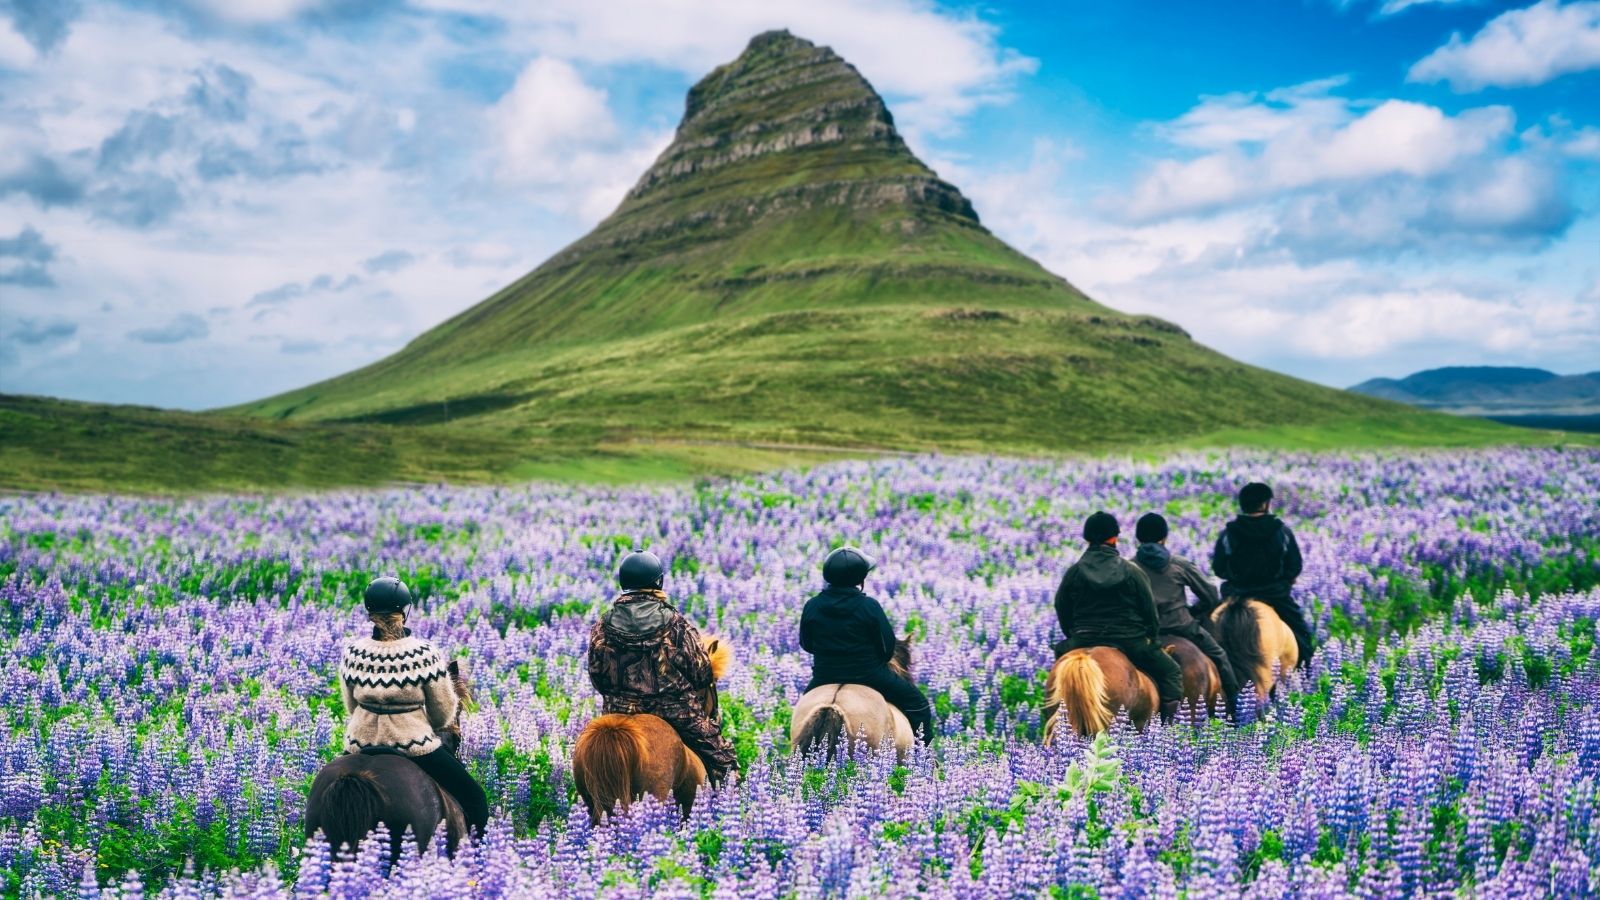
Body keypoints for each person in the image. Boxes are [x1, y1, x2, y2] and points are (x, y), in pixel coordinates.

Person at [339, 576, 490, 837]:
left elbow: (351, 706)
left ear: (370, 613)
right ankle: (475, 862)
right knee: (474, 798)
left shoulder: (354, 653)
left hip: (359, 744)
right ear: (404, 612)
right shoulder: (423, 654)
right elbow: (443, 713)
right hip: (414, 745)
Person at [587, 550, 739, 784]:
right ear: (657, 581)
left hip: (618, 710)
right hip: (675, 711)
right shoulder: (674, 622)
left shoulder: (603, 625)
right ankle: (726, 803)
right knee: (724, 761)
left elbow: (597, 677)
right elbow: (700, 672)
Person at [1054, 511, 1184, 723]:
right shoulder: (1130, 571)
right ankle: (1169, 732)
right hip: (1129, 640)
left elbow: (1061, 606)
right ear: (1114, 538)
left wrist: (1073, 635)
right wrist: (1152, 637)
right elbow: (1149, 611)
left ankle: (1054, 726)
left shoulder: (1075, 572)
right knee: (1171, 673)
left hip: (1084, 637)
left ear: (1087, 539)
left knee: (1058, 672)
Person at [799, 547, 935, 742]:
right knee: (918, 705)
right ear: (860, 579)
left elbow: (807, 644)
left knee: (803, 711)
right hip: (870, 675)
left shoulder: (812, 605)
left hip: (824, 675)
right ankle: (924, 761)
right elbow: (887, 649)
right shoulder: (869, 606)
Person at [1132, 512, 1241, 699]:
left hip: (1144, 632)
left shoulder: (1129, 567)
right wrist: (1193, 611)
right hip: (1181, 625)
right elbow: (1211, 595)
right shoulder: (1179, 564)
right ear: (1164, 537)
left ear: (1138, 538)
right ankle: (1235, 704)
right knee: (1219, 656)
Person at [1208, 482, 1314, 666]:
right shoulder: (1282, 531)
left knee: (1207, 635)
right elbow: (1294, 567)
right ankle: (1306, 674)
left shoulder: (1228, 533)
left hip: (1236, 596)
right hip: (1275, 595)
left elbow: (1219, 568)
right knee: (1301, 638)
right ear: (1265, 504)